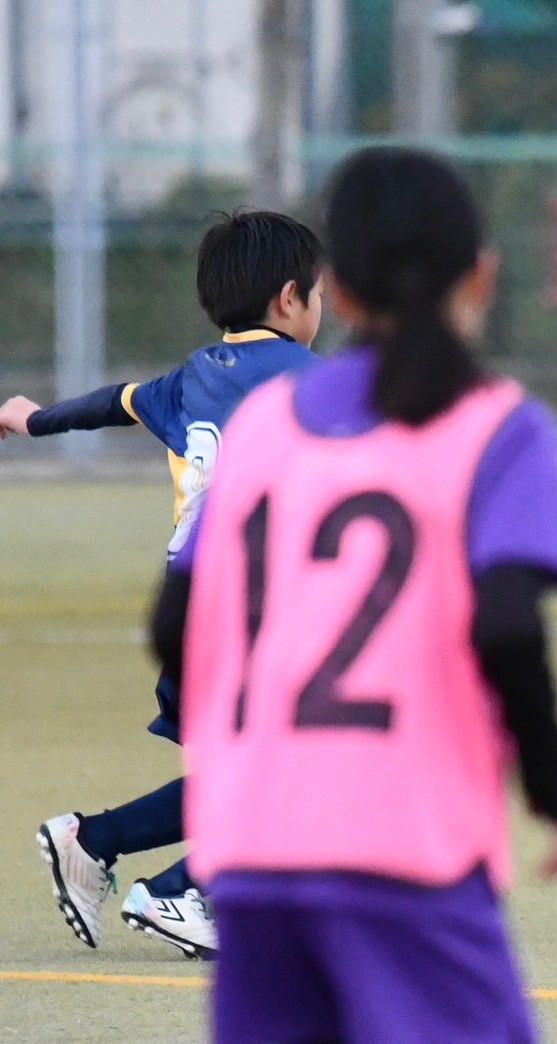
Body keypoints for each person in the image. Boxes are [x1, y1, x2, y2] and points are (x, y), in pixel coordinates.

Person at [150, 146, 557, 1043]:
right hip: (403, 838)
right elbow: (508, 628)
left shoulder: (265, 424)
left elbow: (174, 619)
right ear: (482, 275)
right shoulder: (498, 426)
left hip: (252, 846)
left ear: (337, 292)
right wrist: (549, 788)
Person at [0, 211, 325, 957]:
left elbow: (113, 401)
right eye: (318, 295)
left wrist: (33, 419)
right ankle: (181, 894)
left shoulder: (191, 378)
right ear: (289, 298)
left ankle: (91, 842)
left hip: (187, 613)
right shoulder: (318, 384)